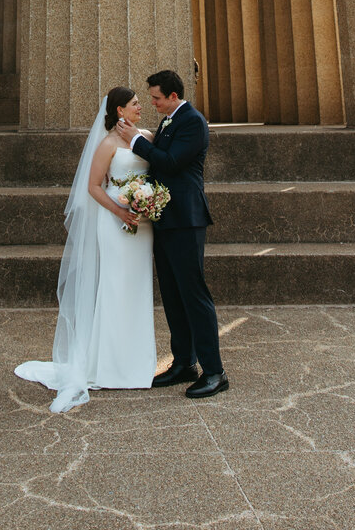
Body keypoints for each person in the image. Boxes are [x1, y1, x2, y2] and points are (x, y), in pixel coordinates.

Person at [14, 86, 157, 412]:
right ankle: (107, 365)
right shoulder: (107, 144)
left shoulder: (148, 136)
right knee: (113, 288)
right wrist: (121, 210)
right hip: (115, 223)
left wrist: (149, 203)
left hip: (143, 226)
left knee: (137, 289)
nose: (140, 109)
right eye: (135, 105)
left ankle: (137, 364)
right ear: (120, 111)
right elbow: (93, 186)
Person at [117, 68, 228, 398]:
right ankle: (183, 363)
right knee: (172, 294)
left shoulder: (192, 121)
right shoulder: (168, 121)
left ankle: (215, 371)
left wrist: (135, 140)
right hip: (164, 218)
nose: (152, 103)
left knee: (194, 295)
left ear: (174, 97)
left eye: (156, 98)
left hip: (187, 219)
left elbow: (172, 162)